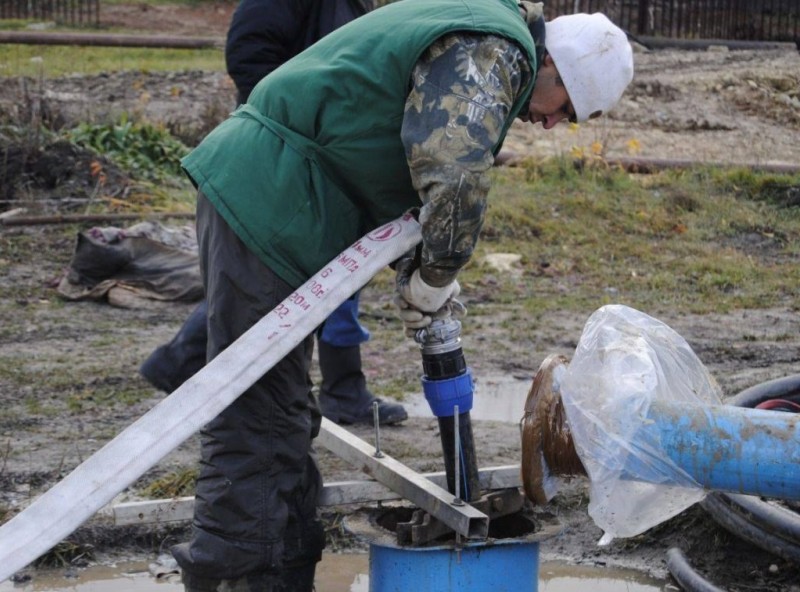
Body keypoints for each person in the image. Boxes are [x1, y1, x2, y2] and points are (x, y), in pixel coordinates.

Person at [170, 1, 634, 590]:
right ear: (557, 69)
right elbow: (457, 173)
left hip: (282, 198)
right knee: (256, 418)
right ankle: (237, 577)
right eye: (564, 111)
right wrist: (438, 271)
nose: (548, 125)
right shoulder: (495, 49)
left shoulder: (482, 33)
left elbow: (412, 157)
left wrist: (426, 265)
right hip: (269, 199)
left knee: (281, 412)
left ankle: (284, 571)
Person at [139, 0, 409, 426]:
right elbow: (248, 51)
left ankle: (341, 387)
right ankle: (186, 362)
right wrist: (291, 119)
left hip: (324, 155)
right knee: (281, 276)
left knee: (329, 273)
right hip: (287, 150)